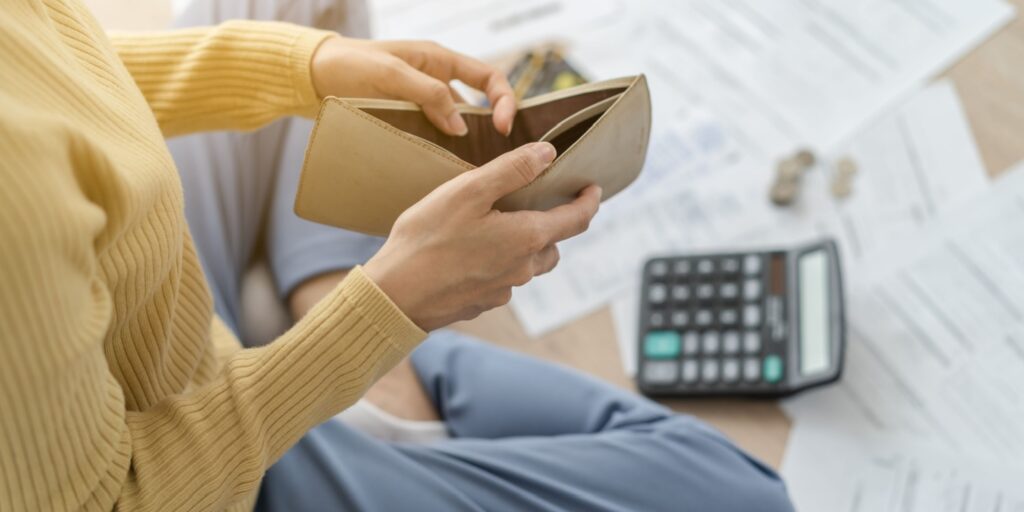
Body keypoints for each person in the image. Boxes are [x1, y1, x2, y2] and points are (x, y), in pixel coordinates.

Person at [0, 0, 795, 510]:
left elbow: (55, 71)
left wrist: (299, 68)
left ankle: (317, 291)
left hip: (143, 311)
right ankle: (371, 390)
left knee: (302, 7)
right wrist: (381, 316)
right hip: (208, 470)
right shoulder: (14, 197)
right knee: (740, 493)